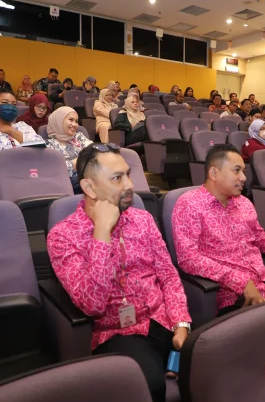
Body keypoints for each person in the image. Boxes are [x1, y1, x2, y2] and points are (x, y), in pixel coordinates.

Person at [47, 144, 191, 402]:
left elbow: (168, 276)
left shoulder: (142, 219)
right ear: (89, 188)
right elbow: (92, 304)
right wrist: (101, 232)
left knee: (216, 357)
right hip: (118, 331)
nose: (129, 185)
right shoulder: (63, 236)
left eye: (128, 175)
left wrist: (181, 323)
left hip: (162, 318)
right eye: (117, 178)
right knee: (149, 385)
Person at [172, 144, 265, 316]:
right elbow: (188, 259)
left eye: (244, 171)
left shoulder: (243, 202)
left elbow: (261, 238)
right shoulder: (189, 204)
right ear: (213, 173)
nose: (244, 177)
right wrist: (241, 282)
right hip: (234, 298)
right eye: (236, 170)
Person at [45, 106, 92, 194]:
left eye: (76, 121)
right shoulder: (49, 145)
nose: (74, 124)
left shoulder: (79, 137)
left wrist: (76, 163)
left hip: (90, 175)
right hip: (68, 183)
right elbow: (57, 169)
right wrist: (80, 161)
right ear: (59, 121)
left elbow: (94, 152)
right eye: (71, 120)